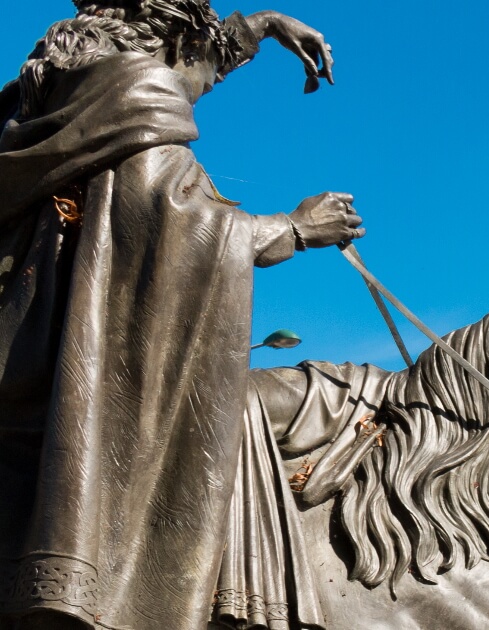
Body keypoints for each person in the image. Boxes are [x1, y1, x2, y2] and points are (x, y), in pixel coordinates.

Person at [0, 2, 360, 628]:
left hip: (27, 352)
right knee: (241, 411)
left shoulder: (57, 105)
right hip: (66, 383)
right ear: (171, 48)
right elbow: (189, 233)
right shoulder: (138, 116)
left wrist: (262, 27)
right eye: (201, 63)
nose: (200, 86)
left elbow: (192, 65)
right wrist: (298, 228)